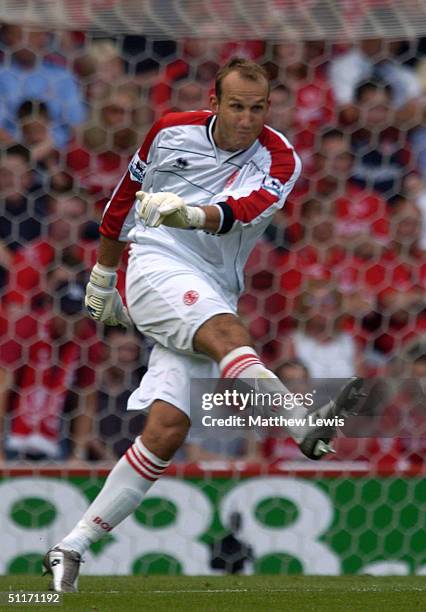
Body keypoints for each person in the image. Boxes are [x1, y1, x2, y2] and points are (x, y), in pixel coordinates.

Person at [43, 58, 364, 591]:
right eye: (235, 106)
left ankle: (70, 546)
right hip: (153, 263)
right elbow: (123, 197)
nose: (246, 118)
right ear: (214, 104)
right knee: (227, 337)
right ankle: (301, 425)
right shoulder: (170, 131)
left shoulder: (281, 158)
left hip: (213, 285)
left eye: (256, 108)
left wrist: (191, 215)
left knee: (168, 429)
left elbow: (244, 208)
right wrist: (102, 273)